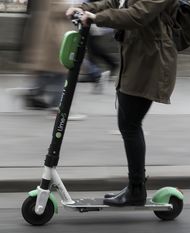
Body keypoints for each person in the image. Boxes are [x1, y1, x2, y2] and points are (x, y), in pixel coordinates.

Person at [66, 0, 179, 206]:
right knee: (128, 123)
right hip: (136, 60)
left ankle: (136, 189)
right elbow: (114, 1)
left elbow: (138, 15)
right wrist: (86, 8)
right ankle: (136, 187)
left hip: (151, 64)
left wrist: (96, 18)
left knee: (130, 125)